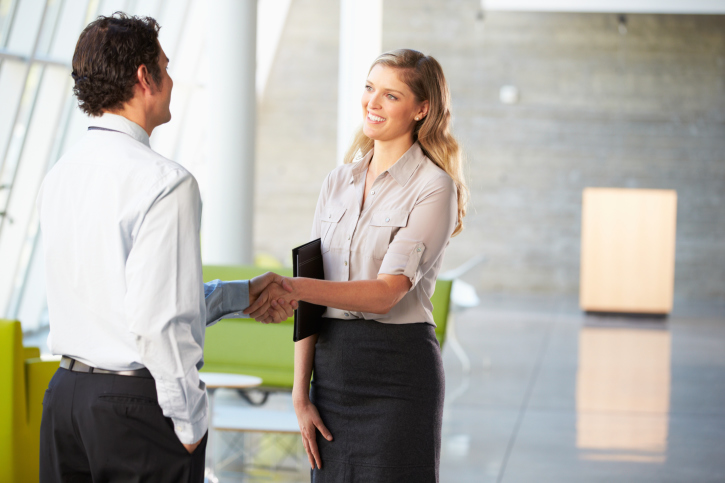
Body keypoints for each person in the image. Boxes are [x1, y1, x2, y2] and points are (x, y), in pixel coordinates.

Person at [37, 13, 293, 482]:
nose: (173, 80)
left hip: (65, 401)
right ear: (143, 78)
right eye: (166, 66)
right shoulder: (165, 183)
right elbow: (161, 322)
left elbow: (119, 299)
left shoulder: (60, 174)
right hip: (134, 409)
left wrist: (240, 294)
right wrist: (190, 421)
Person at [245, 49, 469, 482]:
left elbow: (386, 293)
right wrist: (300, 392)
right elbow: (313, 288)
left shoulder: (434, 187)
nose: (372, 102)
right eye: (369, 88)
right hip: (331, 374)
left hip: (397, 377)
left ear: (422, 109)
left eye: (390, 95)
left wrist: (289, 287)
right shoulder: (337, 182)